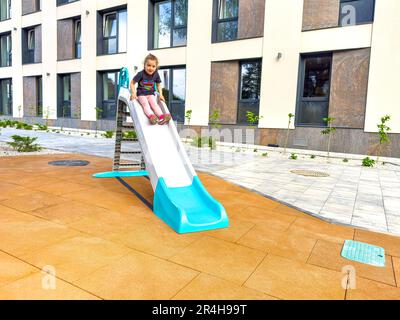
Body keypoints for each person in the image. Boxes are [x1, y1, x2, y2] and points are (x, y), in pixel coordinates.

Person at [130, 54, 171, 125]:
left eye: (153, 66)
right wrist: (133, 93)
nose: (151, 68)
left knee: (155, 105)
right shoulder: (141, 74)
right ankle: (152, 116)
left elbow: (158, 85)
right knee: (146, 105)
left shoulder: (156, 74)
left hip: (151, 94)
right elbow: (132, 83)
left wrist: (161, 94)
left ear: (156, 67)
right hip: (141, 94)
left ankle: (161, 117)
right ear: (144, 65)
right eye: (148, 65)